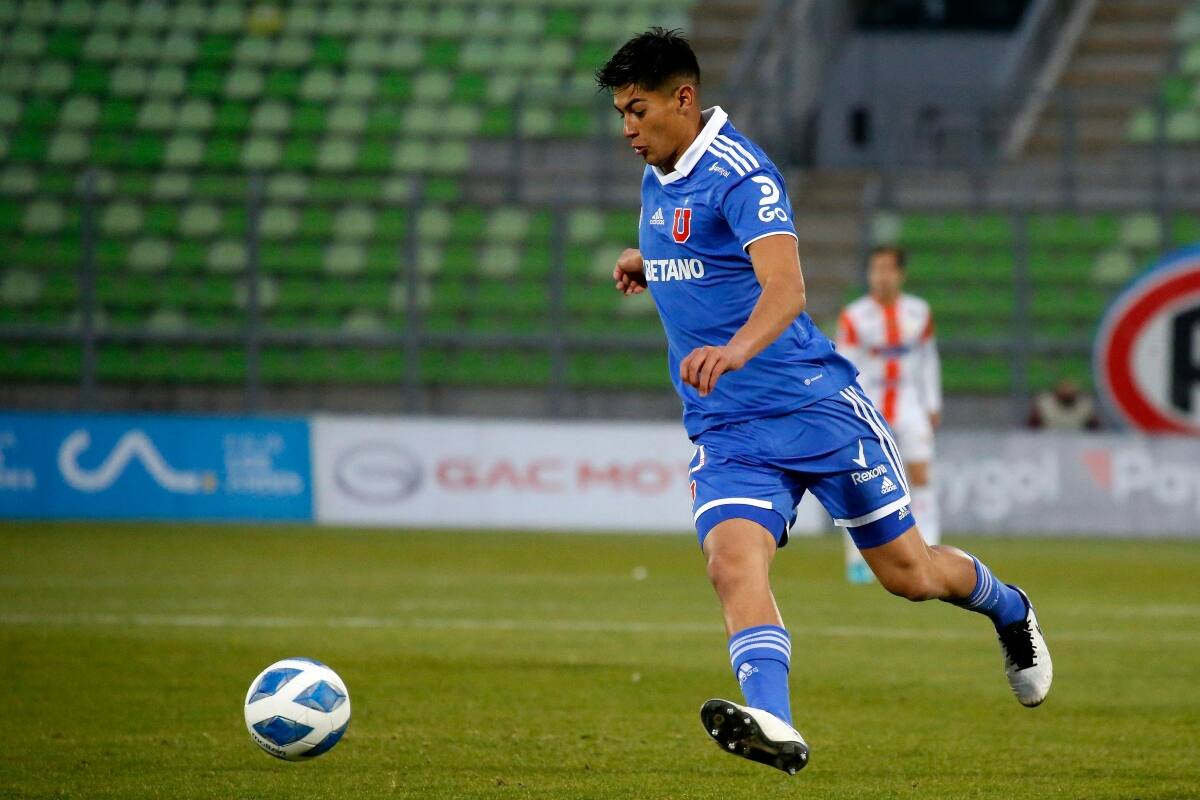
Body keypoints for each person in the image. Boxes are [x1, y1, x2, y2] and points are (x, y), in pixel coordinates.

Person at [595, 28, 1052, 776]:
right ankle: (774, 722)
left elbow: (786, 288)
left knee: (909, 575)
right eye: (620, 113)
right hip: (729, 427)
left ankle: (1010, 608)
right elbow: (702, 251)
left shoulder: (744, 174)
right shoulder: (661, 170)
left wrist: (738, 350)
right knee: (730, 565)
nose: (628, 129)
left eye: (637, 110)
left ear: (684, 98)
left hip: (816, 410)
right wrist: (650, 261)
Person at [836, 247, 942, 584]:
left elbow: (928, 359)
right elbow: (844, 364)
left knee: (921, 474)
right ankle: (859, 559)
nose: (880, 276)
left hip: (909, 401)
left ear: (900, 274)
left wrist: (932, 403)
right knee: (863, 479)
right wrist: (850, 408)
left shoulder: (919, 312)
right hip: (871, 404)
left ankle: (930, 548)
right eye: (875, 269)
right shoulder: (855, 316)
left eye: (887, 269)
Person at [1028, 379, 1101, 430]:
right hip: (1048, 442)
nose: (1066, 392)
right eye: (1064, 389)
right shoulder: (1044, 404)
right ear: (1056, 392)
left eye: (1070, 390)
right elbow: (1031, 427)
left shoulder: (1084, 406)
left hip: (1078, 441)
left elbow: (1095, 429)